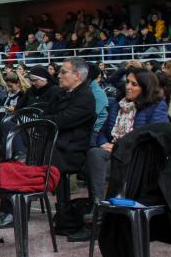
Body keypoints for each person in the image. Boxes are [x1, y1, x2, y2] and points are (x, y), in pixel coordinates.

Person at [68, 68, 169, 242]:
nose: (128, 86)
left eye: (134, 84)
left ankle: (99, 216)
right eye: (127, 82)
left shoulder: (155, 106)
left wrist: (121, 146)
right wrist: (102, 143)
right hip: (110, 154)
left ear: (145, 87)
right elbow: (100, 132)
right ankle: (98, 208)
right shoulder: (116, 103)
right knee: (95, 153)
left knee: (97, 158)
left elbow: (158, 135)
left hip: (137, 160)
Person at [41, 57, 96, 234]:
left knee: (50, 157)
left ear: (77, 75)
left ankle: (66, 217)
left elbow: (61, 120)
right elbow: (47, 114)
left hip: (73, 148)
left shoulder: (86, 97)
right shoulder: (60, 93)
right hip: (59, 143)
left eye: (64, 72)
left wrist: (47, 120)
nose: (59, 75)